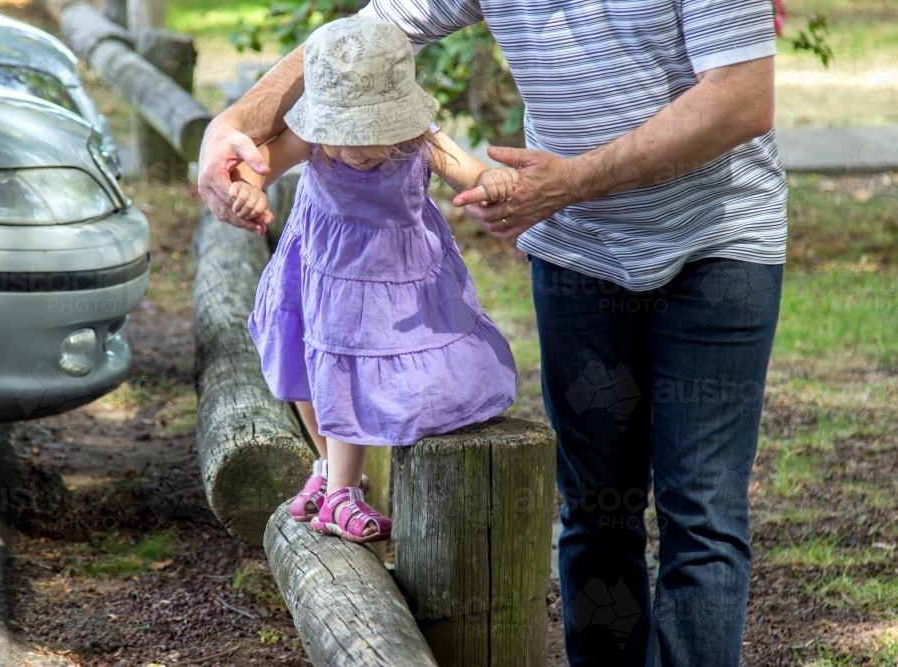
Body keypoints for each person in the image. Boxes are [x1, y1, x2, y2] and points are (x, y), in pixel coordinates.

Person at [198, 1, 785, 663]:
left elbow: (741, 98)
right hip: (578, 254)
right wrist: (233, 126)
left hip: (717, 246)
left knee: (701, 512)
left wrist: (573, 181)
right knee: (596, 509)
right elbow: (368, 32)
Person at [222, 16, 518, 544]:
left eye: (374, 133)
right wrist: (246, 187)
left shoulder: (421, 140)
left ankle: (340, 488)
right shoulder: (310, 139)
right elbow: (258, 164)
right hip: (325, 272)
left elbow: (469, 172)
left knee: (360, 365)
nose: (359, 148)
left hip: (395, 279)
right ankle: (333, 478)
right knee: (309, 361)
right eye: (346, 134)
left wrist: (490, 181)